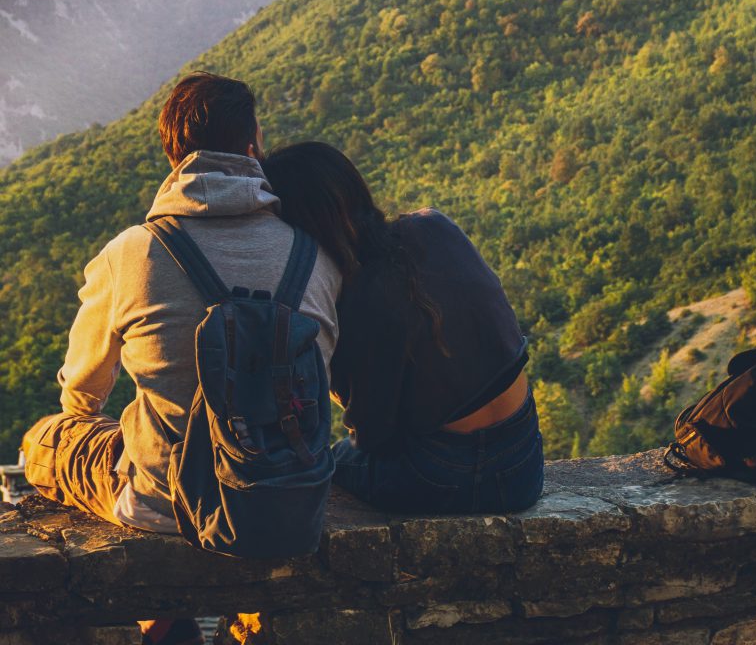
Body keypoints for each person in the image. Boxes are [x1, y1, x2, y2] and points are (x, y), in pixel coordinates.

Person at [20, 73, 343, 644]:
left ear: (173, 155)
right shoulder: (314, 254)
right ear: (253, 147)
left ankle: (163, 625)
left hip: (162, 502)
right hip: (286, 494)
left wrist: (88, 414)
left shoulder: (132, 252)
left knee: (45, 438)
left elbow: (84, 386)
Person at [261, 141, 544, 514]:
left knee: (329, 460)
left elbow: (373, 438)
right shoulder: (433, 225)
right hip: (525, 461)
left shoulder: (360, 298)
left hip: (446, 475)